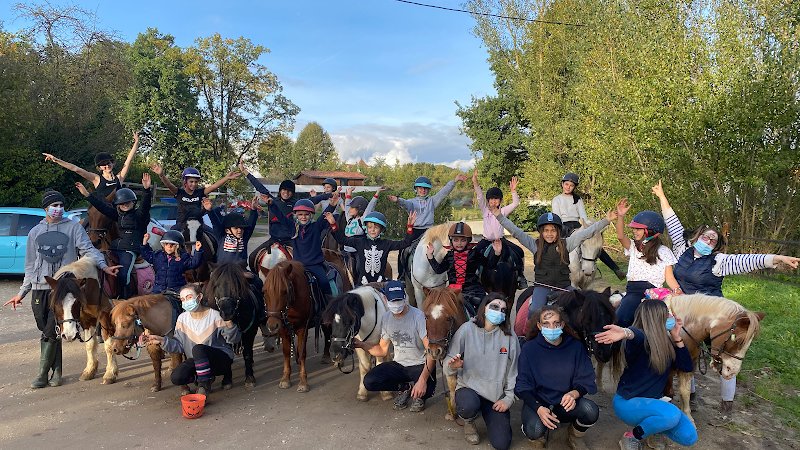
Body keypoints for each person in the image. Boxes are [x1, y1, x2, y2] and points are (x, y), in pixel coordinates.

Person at [652, 180, 800, 414]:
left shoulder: (719, 262)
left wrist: (779, 259)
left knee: (728, 349)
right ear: (697, 237)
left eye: (713, 240)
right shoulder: (681, 248)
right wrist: (661, 196)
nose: (708, 241)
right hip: (681, 307)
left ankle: (727, 401)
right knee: (681, 347)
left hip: (711, 313)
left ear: (717, 246)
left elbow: (749, 261)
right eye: (705, 237)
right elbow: (672, 220)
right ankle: (686, 390)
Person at [3, 190, 120, 389]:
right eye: (53, 205)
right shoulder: (35, 232)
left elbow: (88, 250)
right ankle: (55, 370)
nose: (58, 209)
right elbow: (30, 266)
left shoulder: (73, 228)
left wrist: (103, 266)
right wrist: (22, 292)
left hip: (64, 286)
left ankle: (45, 374)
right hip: (41, 286)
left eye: (60, 205)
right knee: (46, 329)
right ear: (46, 208)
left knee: (52, 329)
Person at [493, 209, 616, 335]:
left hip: (564, 287)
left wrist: (606, 221)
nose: (549, 234)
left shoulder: (567, 243)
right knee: (534, 310)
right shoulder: (534, 245)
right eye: (546, 230)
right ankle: (527, 337)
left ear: (558, 231)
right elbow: (516, 232)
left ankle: (583, 337)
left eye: (553, 230)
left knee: (583, 306)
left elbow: (587, 233)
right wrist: (499, 217)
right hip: (542, 287)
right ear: (541, 232)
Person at [596, 300, 698, 450]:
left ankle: (651, 427)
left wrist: (676, 337)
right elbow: (636, 335)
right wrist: (626, 332)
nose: (671, 316)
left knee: (689, 437)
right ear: (657, 318)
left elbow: (686, 367)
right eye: (667, 313)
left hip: (653, 403)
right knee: (671, 414)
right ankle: (632, 436)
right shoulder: (640, 341)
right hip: (628, 403)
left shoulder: (667, 343)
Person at [516, 305, 599, 449]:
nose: (552, 327)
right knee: (534, 429)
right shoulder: (529, 349)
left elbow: (586, 378)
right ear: (539, 326)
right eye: (546, 324)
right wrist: (538, 408)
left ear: (562, 324)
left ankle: (574, 435)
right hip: (539, 402)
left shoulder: (575, 347)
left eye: (556, 323)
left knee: (590, 410)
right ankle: (537, 438)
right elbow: (522, 386)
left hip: (564, 402)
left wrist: (574, 394)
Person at [444, 294, 519, 449]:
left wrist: (509, 398)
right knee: (467, 404)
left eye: (503, 310)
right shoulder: (467, 329)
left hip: (495, 395)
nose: (499, 312)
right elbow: (447, 363)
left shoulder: (510, 337)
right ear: (484, 308)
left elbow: (515, 370)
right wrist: (453, 366)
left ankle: (490, 417)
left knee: (502, 444)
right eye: (495, 307)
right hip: (469, 388)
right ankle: (469, 422)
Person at [145, 283, 241, 397]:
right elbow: (179, 345)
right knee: (177, 377)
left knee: (198, 349)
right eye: (183, 299)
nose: (186, 301)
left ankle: (203, 386)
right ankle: (204, 377)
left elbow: (234, 340)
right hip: (198, 363)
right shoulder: (182, 319)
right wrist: (162, 340)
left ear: (199, 297)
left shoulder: (215, 316)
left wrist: (229, 324)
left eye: (189, 297)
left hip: (219, 361)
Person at [356, 280, 436, 412]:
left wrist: (422, 380)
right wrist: (361, 344)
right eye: (393, 301)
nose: (396, 305)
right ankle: (405, 388)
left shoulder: (418, 316)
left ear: (405, 297)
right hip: (399, 365)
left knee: (427, 390)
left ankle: (420, 394)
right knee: (370, 381)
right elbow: (382, 350)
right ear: (385, 299)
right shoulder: (386, 318)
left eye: (399, 300)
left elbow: (431, 351)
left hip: (419, 364)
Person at [76, 173, 153, 299]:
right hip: (114, 247)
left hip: (130, 249)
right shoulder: (117, 215)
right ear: (118, 204)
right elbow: (101, 208)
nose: (125, 204)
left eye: (128, 202)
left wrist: (146, 190)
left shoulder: (139, 215)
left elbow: (145, 205)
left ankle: (125, 298)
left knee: (123, 274)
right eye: (122, 203)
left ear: (133, 202)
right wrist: (88, 195)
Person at [238, 163, 330, 263]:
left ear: (293, 192)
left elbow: (314, 199)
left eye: (289, 191)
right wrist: (245, 171)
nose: (286, 193)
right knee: (252, 258)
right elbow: (258, 186)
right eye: (284, 190)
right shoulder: (272, 201)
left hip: (290, 240)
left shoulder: (297, 204)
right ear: (280, 190)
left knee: (301, 263)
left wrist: (330, 195)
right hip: (273, 239)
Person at [614, 200, 681, 328]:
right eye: (634, 228)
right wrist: (621, 217)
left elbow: (669, 277)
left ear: (650, 231)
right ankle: (615, 346)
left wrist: (678, 291)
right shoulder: (633, 247)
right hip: (634, 291)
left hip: (654, 293)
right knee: (621, 318)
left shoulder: (664, 251)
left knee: (670, 323)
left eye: (638, 229)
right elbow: (621, 236)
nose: (634, 231)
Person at [552, 172, 626, 280]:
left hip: (578, 225)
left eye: (571, 185)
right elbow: (557, 217)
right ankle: (556, 272)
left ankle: (616, 269)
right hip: (563, 226)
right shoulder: (557, 199)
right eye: (566, 184)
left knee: (594, 244)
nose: (568, 187)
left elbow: (583, 216)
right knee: (558, 247)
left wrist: (586, 226)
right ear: (562, 184)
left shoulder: (578, 199)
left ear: (574, 187)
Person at [426, 222, 511, 312]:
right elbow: (438, 270)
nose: (459, 243)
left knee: (483, 308)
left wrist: (497, 253)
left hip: (472, 289)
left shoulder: (474, 253)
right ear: (451, 241)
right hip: (452, 290)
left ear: (468, 240)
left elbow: (490, 266)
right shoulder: (449, 255)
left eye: (463, 240)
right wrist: (430, 255)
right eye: (456, 240)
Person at [268, 192, 339, 298]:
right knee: (284, 283)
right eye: (300, 214)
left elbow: (325, 214)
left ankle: (327, 306)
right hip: (297, 265)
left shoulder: (316, 226)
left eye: (306, 214)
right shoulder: (293, 227)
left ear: (311, 215)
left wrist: (332, 205)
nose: (303, 217)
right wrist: (271, 204)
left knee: (324, 282)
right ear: (296, 215)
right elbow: (281, 217)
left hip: (315, 264)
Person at [151, 164, 241, 241]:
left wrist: (227, 178)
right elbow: (169, 185)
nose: (194, 184)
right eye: (191, 181)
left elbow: (214, 186)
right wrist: (161, 175)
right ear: (185, 181)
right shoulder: (179, 193)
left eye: (196, 182)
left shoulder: (201, 192)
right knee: (168, 239)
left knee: (216, 236)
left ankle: (216, 260)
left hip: (199, 224)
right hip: (181, 225)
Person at [42, 131, 140, 200]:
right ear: (100, 167)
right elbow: (76, 169)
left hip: (116, 211)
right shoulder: (96, 179)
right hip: (101, 211)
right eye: (103, 165)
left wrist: (136, 142)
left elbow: (129, 160)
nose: (106, 166)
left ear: (112, 163)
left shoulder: (120, 178)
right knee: (87, 224)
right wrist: (56, 160)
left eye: (108, 163)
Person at [328, 210, 417, 286]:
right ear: (366, 228)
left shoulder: (386, 243)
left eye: (376, 227)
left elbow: (405, 243)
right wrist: (333, 224)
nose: (372, 230)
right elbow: (341, 240)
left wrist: (410, 227)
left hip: (380, 284)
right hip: (363, 284)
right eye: (370, 227)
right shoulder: (360, 242)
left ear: (381, 230)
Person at [472, 171, 527, 289]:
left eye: (496, 199)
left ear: (500, 201)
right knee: (475, 253)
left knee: (519, 251)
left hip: (501, 240)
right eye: (491, 199)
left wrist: (513, 191)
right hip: (486, 240)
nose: (493, 201)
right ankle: (475, 276)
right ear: (487, 201)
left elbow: (516, 203)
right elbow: (479, 195)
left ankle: (520, 276)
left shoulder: (503, 211)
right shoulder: (485, 209)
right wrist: (475, 182)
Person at [389, 173, 468, 240]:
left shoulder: (432, 201)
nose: (423, 190)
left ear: (429, 190)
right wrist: (398, 200)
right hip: (415, 230)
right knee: (405, 248)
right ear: (416, 189)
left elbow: (443, 193)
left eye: (426, 188)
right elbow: (405, 203)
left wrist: (454, 181)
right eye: (420, 188)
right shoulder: (411, 202)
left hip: (430, 230)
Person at [140, 230, 204, 295]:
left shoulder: (183, 257)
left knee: (181, 302)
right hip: (158, 289)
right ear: (163, 245)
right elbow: (147, 255)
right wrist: (145, 243)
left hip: (176, 289)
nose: (169, 247)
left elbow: (194, 263)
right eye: (166, 244)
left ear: (178, 246)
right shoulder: (158, 255)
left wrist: (198, 251)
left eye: (172, 245)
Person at [339, 186, 382, 272]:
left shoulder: (362, 219)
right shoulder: (349, 218)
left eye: (352, 208)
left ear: (359, 209)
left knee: (359, 268)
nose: (349, 209)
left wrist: (376, 194)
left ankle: (360, 282)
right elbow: (347, 205)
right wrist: (349, 194)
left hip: (358, 250)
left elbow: (370, 207)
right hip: (346, 249)